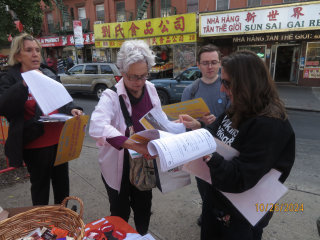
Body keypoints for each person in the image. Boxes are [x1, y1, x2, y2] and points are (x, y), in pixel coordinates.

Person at [176, 50, 295, 239]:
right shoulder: (238, 106)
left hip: (241, 214)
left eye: (227, 83)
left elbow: (241, 178)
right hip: (217, 200)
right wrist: (193, 131)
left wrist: (208, 155)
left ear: (248, 83)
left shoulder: (270, 123)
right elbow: (213, 131)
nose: (222, 89)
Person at [89, 40, 166, 235]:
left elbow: (159, 119)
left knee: (143, 207)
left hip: (143, 162)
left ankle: (141, 236)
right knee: (119, 212)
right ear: (122, 72)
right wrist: (134, 145)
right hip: (118, 164)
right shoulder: (111, 96)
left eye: (144, 75)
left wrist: (177, 128)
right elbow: (97, 126)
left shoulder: (151, 89)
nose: (139, 82)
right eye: (133, 77)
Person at [0, 33, 83, 206]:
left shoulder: (48, 73)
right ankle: (42, 227)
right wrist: (24, 84)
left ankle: (63, 222)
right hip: (35, 144)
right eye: (29, 50)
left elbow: (64, 100)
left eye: (37, 50)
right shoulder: (10, 77)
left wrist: (73, 108)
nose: (35, 54)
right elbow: (4, 106)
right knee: (40, 188)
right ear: (17, 55)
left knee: (62, 186)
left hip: (60, 140)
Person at [181, 44, 230, 226]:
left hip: (224, 148)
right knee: (203, 185)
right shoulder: (190, 90)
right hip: (198, 149)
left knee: (223, 185)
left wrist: (218, 120)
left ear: (220, 64)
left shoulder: (228, 88)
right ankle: (208, 212)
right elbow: (182, 124)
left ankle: (222, 214)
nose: (210, 67)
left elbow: (237, 119)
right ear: (198, 65)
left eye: (214, 62)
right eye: (205, 63)